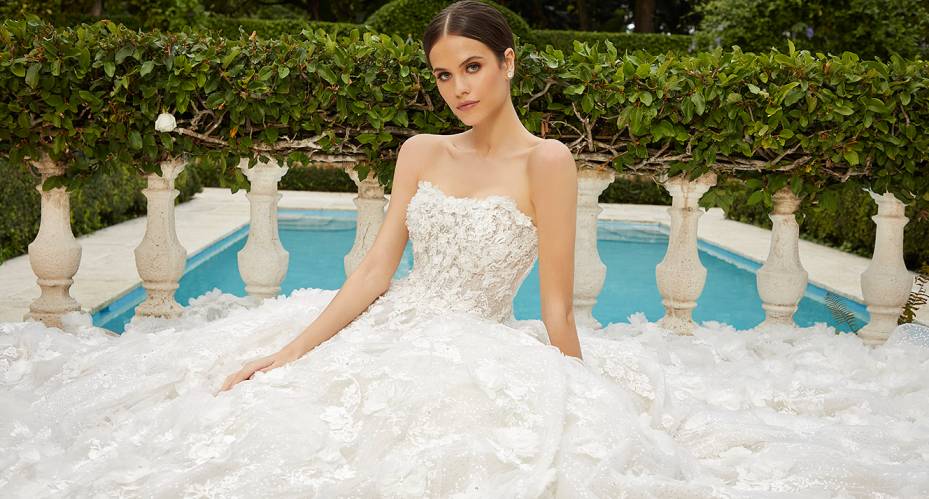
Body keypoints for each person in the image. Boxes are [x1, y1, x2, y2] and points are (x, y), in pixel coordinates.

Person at [5, 1, 926, 498]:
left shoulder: (548, 163)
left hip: (477, 340)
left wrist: (582, 391)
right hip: (394, 323)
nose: (457, 88)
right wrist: (287, 351)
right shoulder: (419, 151)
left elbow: (555, 302)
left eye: (472, 66)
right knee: (259, 412)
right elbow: (374, 269)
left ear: (509, 62)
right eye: (444, 74)